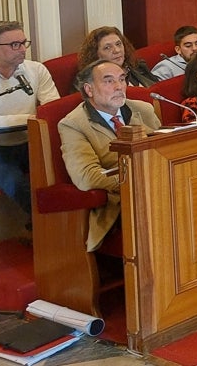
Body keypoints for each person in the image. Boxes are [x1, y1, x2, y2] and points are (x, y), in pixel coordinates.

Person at [60, 60, 160, 251]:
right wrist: (136, 178)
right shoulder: (73, 124)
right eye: (108, 81)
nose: (119, 87)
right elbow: (86, 177)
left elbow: (164, 149)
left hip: (158, 187)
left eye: (122, 79)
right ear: (89, 90)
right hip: (122, 204)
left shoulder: (143, 109)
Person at [0, 21, 59, 219]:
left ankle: (62, 231)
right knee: (16, 182)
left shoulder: (36, 70)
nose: (22, 49)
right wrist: (29, 119)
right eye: (14, 45)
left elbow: (54, 109)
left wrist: (35, 121)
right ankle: (46, 232)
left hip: (30, 142)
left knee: (66, 167)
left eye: (24, 42)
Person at [77, 26, 157, 86]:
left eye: (118, 44)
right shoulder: (87, 82)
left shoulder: (138, 66)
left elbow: (158, 90)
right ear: (95, 54)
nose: (117, 50)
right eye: (107, 47)